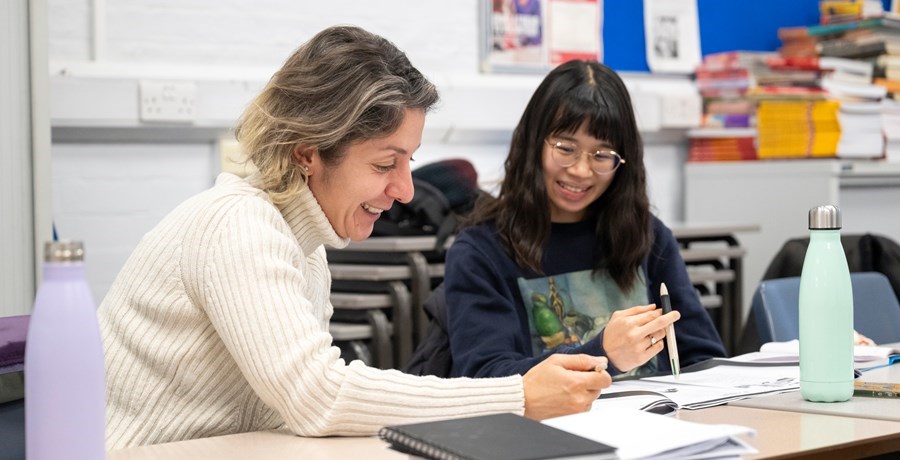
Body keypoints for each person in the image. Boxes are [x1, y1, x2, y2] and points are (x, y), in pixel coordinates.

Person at [98, 26, 611, 450]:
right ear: (307, 153)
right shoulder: (237, 225)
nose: (406, 189)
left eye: (407, 161)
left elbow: (298, 411)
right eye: (385, 163)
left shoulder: (306, 247)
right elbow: (317, 395)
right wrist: (517, 396)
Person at [444, 59, 726, 380]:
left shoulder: (647, 236)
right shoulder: (481, 252)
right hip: (545, 429)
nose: (581, 170)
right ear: (533, 143)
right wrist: (602, 353)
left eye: (602, 155)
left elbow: (704, 358)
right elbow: (486, 377)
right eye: (566, 148)